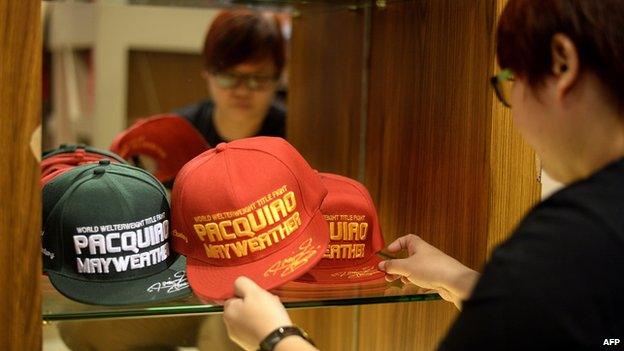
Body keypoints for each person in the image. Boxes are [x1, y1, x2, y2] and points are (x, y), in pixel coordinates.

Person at [222, 0, 624, 350]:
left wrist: (275, 338)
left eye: (509, 81)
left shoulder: (571, 239)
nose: (513, 112)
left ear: (561, 63)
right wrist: (466, 282)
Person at [175, 9, 287, 146]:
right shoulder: (179, 132)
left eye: (258, 78)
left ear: (278, 78)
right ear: (207, 72)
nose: (242, 92)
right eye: (228, 76)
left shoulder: (297, 134)